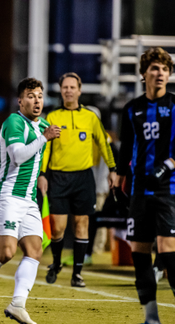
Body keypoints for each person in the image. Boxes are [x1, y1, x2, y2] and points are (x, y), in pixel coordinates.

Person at [0, 77, 61, 324]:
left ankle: (18, 304)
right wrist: (44, 138)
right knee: (6, 252)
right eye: (30, 95)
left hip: (29, 200)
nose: (36, 100)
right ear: (20, 101)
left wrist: (42, 175)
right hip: (7, 195)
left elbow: (39, 158)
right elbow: (18, 156)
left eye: (39, 95)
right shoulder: (13, 122)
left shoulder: (45, 125)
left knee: (34, 251)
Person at [117, 47, 175, 324]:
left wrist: (170, 164)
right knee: (138, 253)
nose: (159, 72)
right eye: (154, 68)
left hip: (170, 189)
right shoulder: (131, 108)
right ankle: (152, 322)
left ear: (169, 74)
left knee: (166, 250)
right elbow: (126, 148)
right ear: (143, 74)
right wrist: (119, 177)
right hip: (140, 190)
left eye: (164, 68)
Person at [38, 72, 117, 287]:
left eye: (73, 87)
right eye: (65, 87)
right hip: (58, 178)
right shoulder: (53, 117)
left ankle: (78, 274)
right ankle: (56, 263)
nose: (69, 90)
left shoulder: (90, 118)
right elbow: (45, 149)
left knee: (82, 225)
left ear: (79, 91)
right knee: (58, 228)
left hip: (83, 178)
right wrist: (42, 174)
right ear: (61, 90)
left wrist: (112, 169)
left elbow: (103, 143)